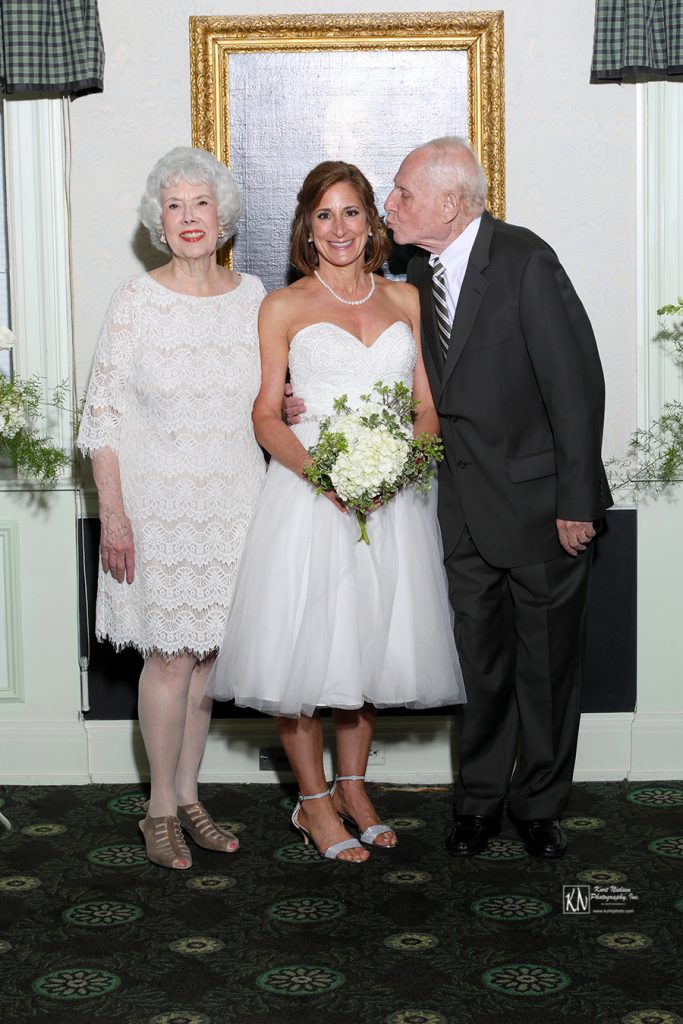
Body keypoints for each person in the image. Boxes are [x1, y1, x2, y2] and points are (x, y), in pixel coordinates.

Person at [207, 161, 465, 863]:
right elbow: (264, 414)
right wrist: (321, 474)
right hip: (309, 497)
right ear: (306, 229)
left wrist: (401, 469)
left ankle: (354, 790)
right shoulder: (284, 306)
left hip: (392, 498)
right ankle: (313, 804)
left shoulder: (408, 300)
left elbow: (427, 409)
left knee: (367, 648)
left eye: (351, 212)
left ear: (372, 223)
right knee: (304, 655)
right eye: (324, 215)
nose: (339, 228)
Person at [381, 136, 613, 858]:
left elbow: (575, 386)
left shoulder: (523, 260)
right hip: (455, 514)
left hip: (544, 510)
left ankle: (538, 806)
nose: (390, 206)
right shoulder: (415, 274)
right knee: (477, 668)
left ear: (450, 203)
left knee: (546, 670)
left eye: (402, 194)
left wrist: (576, 501)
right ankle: (477, 805)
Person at [77, 147, 266, 869]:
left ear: (223, 217)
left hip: (236, 501)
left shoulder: (254, 297)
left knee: (208, 660)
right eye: (175, 205)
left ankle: (190, 796)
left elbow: (267, 396)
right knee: (168, 658)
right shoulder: (136, 300)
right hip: (157, 509)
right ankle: (157, 810)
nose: (189, 218)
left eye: (201, 204)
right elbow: (103, 418)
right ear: (159, 218)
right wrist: (114, 516)